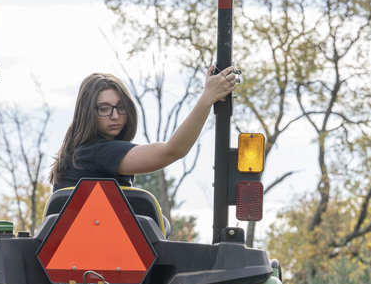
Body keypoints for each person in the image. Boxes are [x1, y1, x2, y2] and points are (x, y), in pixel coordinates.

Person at [48, 66, 238, 191]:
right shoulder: (95, 153)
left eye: (120, 107)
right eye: (104, 109)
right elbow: (173, 150)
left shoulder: (78, 155)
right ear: (87, 113)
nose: (115, 116)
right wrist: (207, 98)